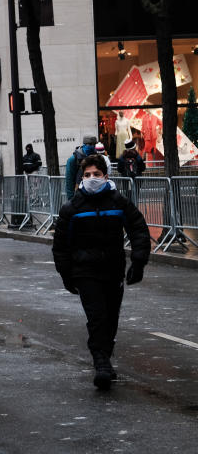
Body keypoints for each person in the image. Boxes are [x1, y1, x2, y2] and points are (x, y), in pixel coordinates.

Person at [52, 154, 149, 390]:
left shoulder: (118, 202)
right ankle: (101, 364)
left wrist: (138, 261)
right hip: (85, 272)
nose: (92, 179)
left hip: (113, 269)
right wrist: (67, 275)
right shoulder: (72, 208)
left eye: (96, 174)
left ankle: (105, 356)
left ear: (106, 176)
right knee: (97, 317)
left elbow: (138, 228)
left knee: (111, 318)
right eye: (87, 175)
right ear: (81, 178)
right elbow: (61, 245)